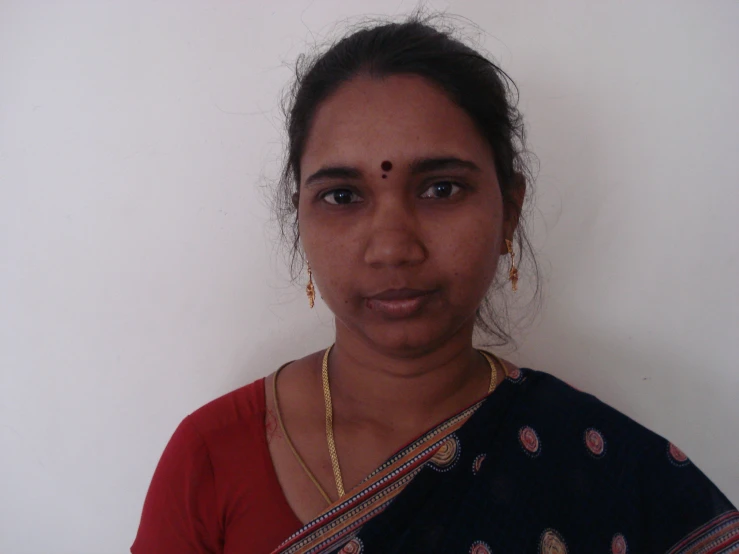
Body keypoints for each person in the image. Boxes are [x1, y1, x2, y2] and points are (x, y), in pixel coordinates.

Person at [131, 17, 738, 554]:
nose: (393, 246)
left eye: (441, 188)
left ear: (509, 211)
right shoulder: (211, 457)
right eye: (342, 196)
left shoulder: (600, 464)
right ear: (302, 221)